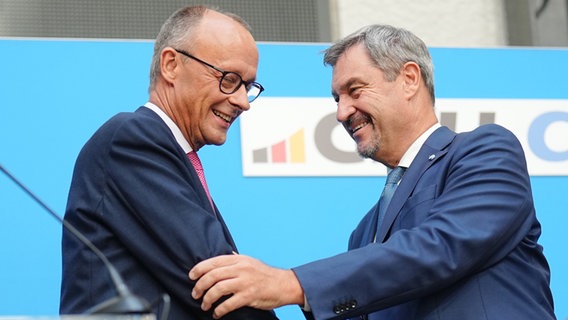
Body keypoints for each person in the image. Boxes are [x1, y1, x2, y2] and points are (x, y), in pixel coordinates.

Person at [188, 24, 556, 320]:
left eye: (355, 90)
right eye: (337, 98)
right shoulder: (364, 233)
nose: (342, 112)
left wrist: (292, 283)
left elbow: (442, 246)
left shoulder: (485, 151)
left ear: (410, 79)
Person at [60, 5, 278, 320]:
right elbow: (217, 280)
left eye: (248, 86)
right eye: (229, 79)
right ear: (171, 65)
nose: (243, 102)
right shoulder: (132, 139)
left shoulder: (170, 153)